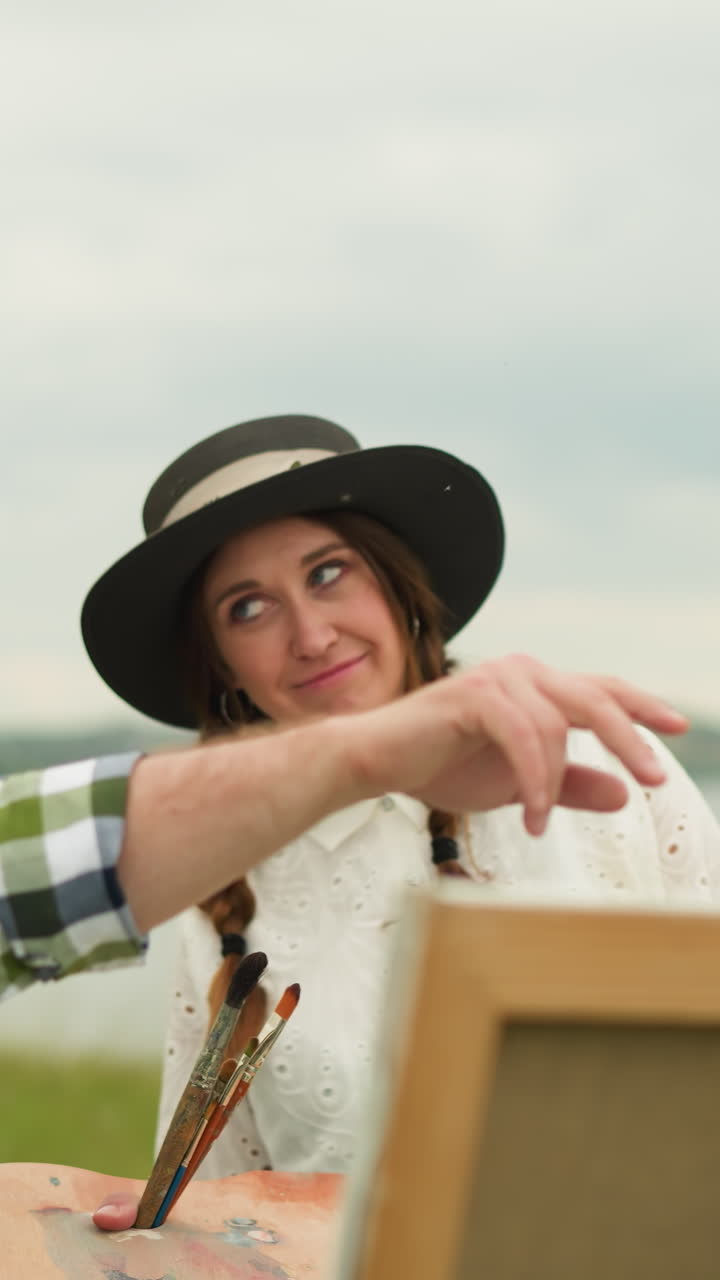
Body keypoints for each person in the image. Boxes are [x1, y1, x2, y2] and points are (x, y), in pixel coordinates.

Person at [79, 413, 720, 1212]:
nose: (311, 636)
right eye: (249, 608)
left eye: (327, 573)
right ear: (221, 667)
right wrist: (163, 1230)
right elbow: (216, 1198)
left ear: (399, 584)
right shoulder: (221, 887)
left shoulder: (611, 775)